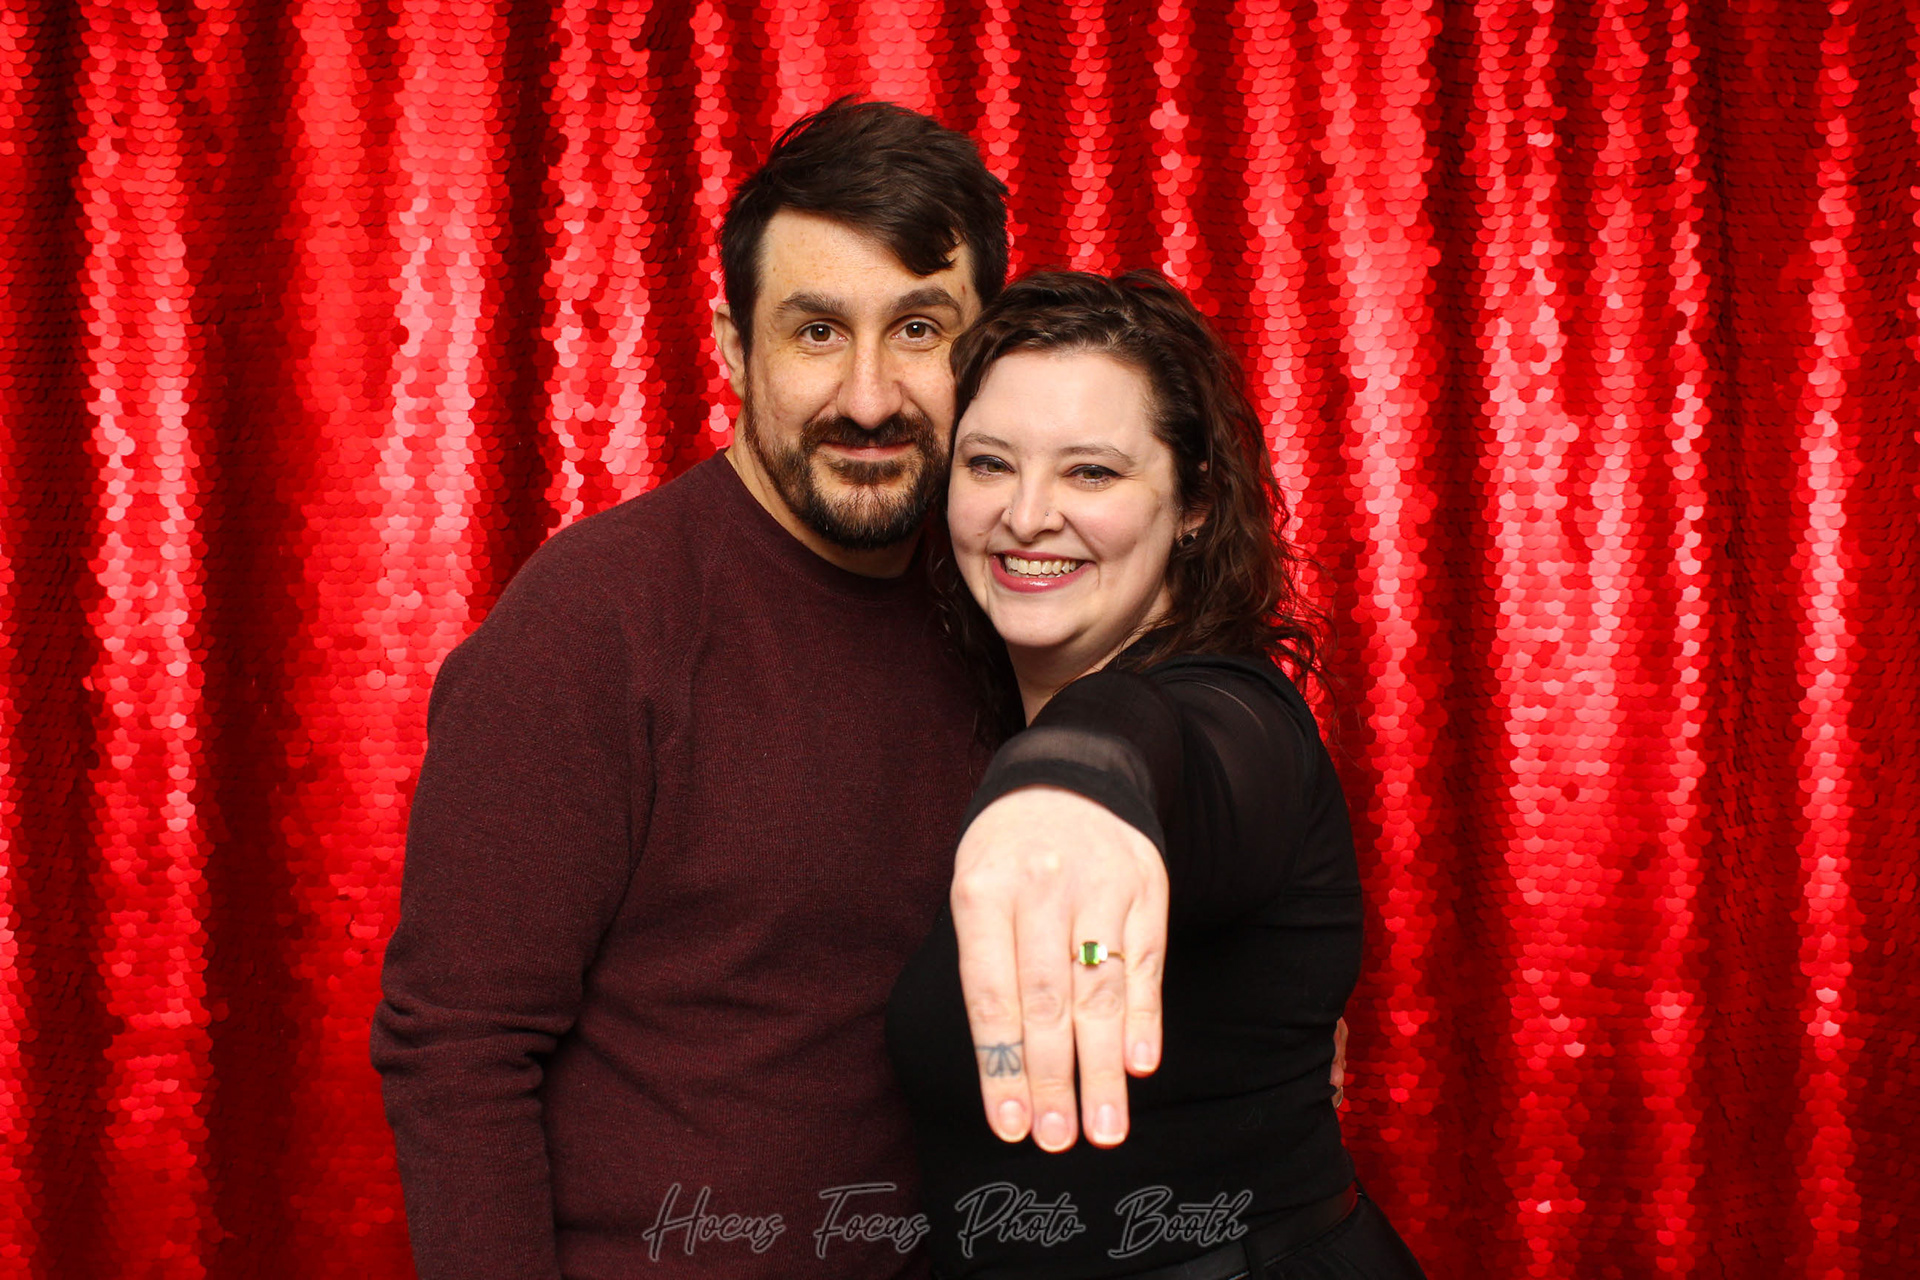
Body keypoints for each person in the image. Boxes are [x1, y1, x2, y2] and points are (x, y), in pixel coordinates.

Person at [370, 99, 1189, 1280]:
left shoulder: (1014, 599)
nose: (867, 395)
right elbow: (457, 1049)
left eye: (919, 329)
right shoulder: (592, 624)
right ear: (731, 341)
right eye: (815, 331)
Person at [887, 270, 1425, 1279]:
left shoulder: (1238, 715)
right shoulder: (963, 713)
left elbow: (1160, 738)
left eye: (1091, 472)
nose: (1028, 514)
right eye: (990, 462)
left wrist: (1074, 783)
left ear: (1195, 502)